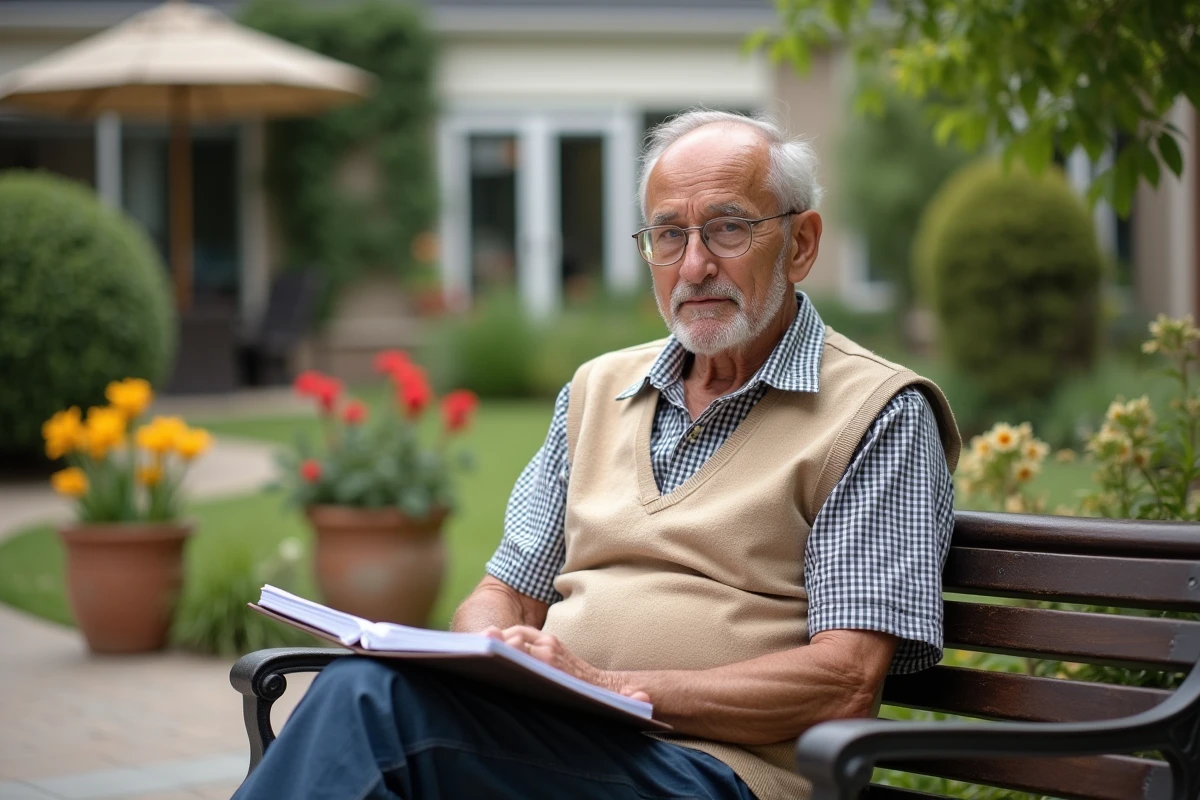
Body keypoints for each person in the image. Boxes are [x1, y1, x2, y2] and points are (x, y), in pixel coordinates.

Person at [232, 110, 960, 800]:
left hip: (716, 772)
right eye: (668, 235)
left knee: (372, 708)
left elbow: (843, 681)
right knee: (368, 691)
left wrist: (608, 686)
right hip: (560, 741)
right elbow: (505, 590)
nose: (695, 264)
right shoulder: (598, 390)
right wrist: (490, 653)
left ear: (801, 243)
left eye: (728, 229)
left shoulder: (876, 414)